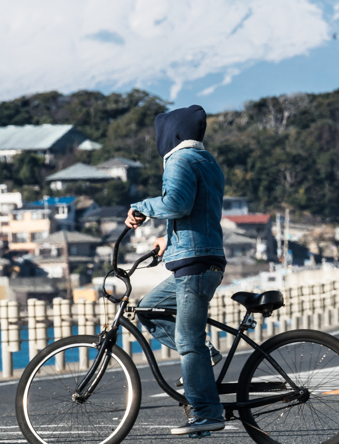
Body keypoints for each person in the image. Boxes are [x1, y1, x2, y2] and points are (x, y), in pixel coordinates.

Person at [126, 105, 227, 437]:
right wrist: (168, 238)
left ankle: (207, 412)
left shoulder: (179, 160)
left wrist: (141, 207)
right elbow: (199, 211)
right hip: (201, 256)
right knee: (149, 308)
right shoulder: (207, 161)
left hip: (195, 264)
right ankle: (206, 356)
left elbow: (178, 204)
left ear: (172, 134)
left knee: (187, 339)